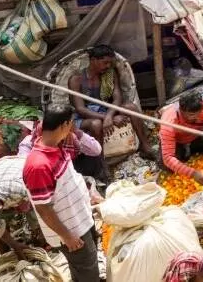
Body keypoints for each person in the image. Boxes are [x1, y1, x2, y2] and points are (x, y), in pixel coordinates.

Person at [22, 106, 99, 282]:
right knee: (88, 273)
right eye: (71, 124)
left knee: (86, 266)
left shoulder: (57, 145)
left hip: (81, 220)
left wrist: (88, 196)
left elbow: (70, 178)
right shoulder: (38, 166)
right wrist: (67, 237)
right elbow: (43, 209)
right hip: (72, 231)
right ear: (65, 124)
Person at [68, 44, 153, 160]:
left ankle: (145, 146)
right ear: (93, 60)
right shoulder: (76, 79)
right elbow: (81, 109)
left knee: (130, 107)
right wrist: (109, 118)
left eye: (110, 63)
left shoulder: (110, 74)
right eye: (105, 62)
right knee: (96, 124)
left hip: (105, 110)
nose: (108, 66)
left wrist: (109, 115)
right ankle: (100, 162)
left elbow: (117, 98)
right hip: (84, 117)